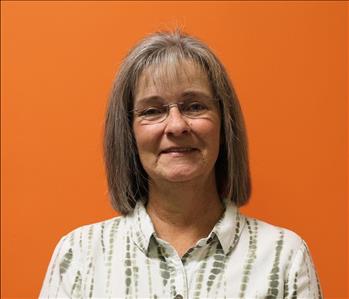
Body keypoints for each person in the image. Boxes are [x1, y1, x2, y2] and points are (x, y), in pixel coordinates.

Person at [40, 30, 322, 299]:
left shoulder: (284, 258)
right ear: (129, 133)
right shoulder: (79, 256)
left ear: (224, 124)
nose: (176, 125)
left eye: (194, 106)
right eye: (153, 111)